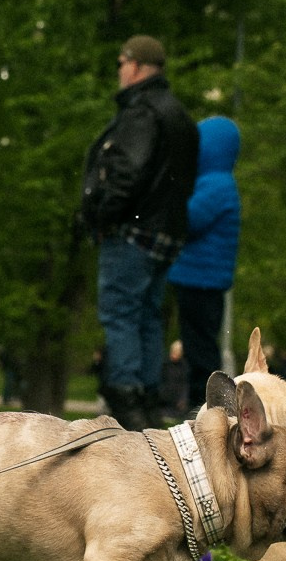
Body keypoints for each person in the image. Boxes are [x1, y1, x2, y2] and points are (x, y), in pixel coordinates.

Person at [80, 35, 198, 431]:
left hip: (131, 233)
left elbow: (125, 173)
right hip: (165, 236)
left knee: (121, 315)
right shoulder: (180, 116)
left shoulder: (141, 113)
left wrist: (102, 215)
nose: (119, 72)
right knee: (148, 318)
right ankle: (146, 403)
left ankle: (127, 403)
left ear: (133, 65)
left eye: (120, 63)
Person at [166, 116, 241, 408]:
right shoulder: (216, 183)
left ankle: (208, 404)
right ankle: (206, 401)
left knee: (200, 347)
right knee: (198, 344)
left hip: (201, 280)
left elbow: (189, 219)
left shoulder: (216, 184)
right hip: (200, 278)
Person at [160, 339, 190, 421]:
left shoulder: (184, 366)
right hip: (165, 392)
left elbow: (185, 383)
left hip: (176, 393)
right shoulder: (165, 364)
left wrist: (183, 398)